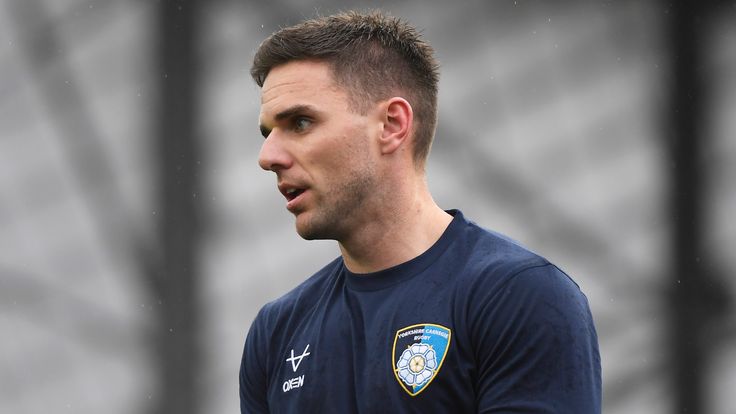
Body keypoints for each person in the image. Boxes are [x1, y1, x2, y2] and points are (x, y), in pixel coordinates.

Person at [240, 10, 601, 413]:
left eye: (301, 122)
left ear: (392, 125)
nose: (268, 156)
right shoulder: (276, 333)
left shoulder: (518, 297)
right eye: (267, 133)